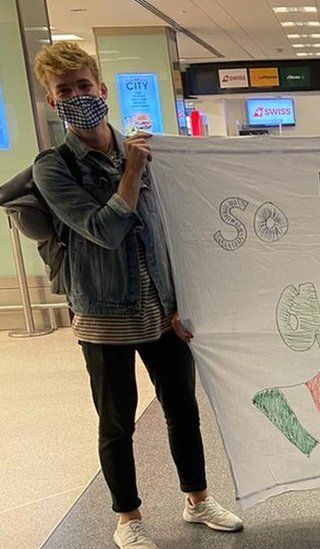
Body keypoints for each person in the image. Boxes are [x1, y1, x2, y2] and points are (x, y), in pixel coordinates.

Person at [31, 42, 243, 547]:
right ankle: (128, 518)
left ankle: (197, 499)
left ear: (102, 89)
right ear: (51, 101)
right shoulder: (53, 167)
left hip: (160, 308)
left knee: (182, 410)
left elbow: (171, 230)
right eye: (65, 91)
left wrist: (181, 301)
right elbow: (102, 229)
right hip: (104, 315)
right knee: (117, 422)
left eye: (84, 85)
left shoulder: (148, 149)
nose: (78, 96)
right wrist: (130, 172)